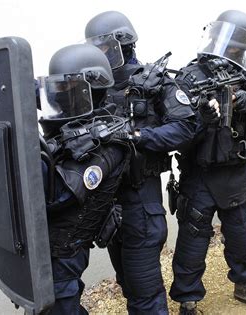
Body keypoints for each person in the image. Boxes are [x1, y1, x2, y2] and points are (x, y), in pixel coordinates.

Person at [84, 11, 196, 314]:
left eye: (104, 48)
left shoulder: (155, 81)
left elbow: (186, 127)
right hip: (106, 201)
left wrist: (135, 135)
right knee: (128, 282)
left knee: (145, 291)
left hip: (140, 198)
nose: (99, 56)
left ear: (123, 44)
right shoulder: (92, 87)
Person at [169, 10, 246, 315]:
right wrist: (201, 119)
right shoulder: (192, 76)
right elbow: (175, 133)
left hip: (234, 172)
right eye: (226, 40)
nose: (230, 49)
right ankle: (187, 300)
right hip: (198, 175)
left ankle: (244, 286)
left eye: (237, 44)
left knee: (239, 236)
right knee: (192, 240)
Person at [38, 43, 132, 315]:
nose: (61, 98)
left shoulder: (111, 140)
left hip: (67, 246)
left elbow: (60, 195)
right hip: (49, 242)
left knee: (60, 305)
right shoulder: (71, 127)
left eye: (68, 91)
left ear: (92, 91)